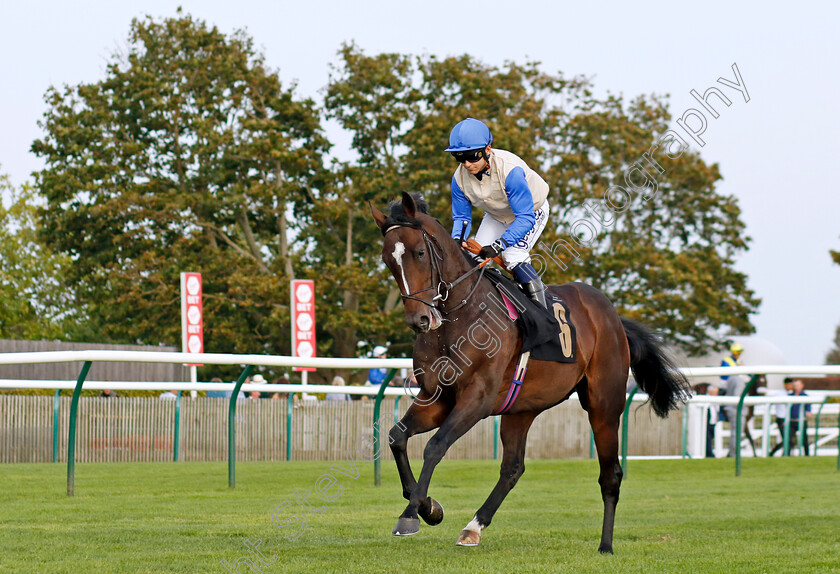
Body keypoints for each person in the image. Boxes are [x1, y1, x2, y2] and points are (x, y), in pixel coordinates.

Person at [446, 117, 551, 308]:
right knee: (473, 261)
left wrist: (499, 244)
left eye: (472, 156)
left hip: (531, 211)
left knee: (513, 256)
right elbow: (461, 217)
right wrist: (456, 240)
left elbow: (525, 218)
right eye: (460, 158)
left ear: (488, 150)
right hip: (497, 216)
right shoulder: (458, 179)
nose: (467, 164)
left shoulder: (510, 171)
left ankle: (543, 316)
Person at [769, 378, 795, 456]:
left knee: (788, 440)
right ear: (785, 385)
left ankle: (784, 455)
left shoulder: (792, 394)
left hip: (790, 419)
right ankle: (774, 453)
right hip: (781, 418)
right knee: (787, 439)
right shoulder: (779, 394)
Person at [789, 378, 813, 455]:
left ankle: (807, 455)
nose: (796, 387)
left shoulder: (805, 396)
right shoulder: (790, 396)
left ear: (802, 386)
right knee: (788, 439)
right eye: (795, 385)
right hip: (791, 421)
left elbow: (808, 408)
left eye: (798, 385)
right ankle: (787, 455)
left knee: (804, 440)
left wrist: (808, 412)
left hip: (802, 421)